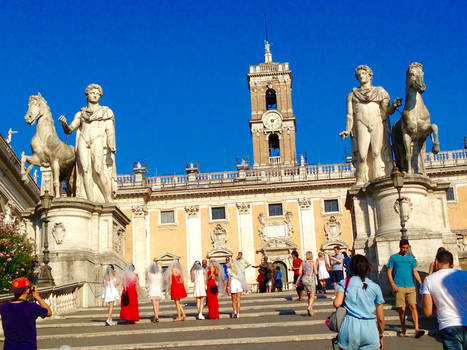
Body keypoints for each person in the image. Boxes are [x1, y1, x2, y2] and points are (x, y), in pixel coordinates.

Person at [339, 65, 401, 184]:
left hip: (377, 122)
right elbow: (350, 115)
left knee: (377, 152)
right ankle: (362, 180)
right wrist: (347, 130)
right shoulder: (352, 95)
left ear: (370, 75)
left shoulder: (380, 91)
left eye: (363, 73)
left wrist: (393, 106)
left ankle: (380, 179)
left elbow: (386, 111)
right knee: (362, 155)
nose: (361, 76)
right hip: (361, 123)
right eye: (359, 75)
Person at [59, 83, 117, 203]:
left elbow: (110, 130)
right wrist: (64, 124)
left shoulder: (106, 111)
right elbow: (69, 130)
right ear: (87, 95)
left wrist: (111, 145)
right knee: (85, 170)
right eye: (92, 93)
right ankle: (90, 202)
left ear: (100, 96)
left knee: (98, 169)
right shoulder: (81, 113)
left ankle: (107, 198)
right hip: (83, 140)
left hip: (98, 139)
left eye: (97, 94)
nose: (95, 95)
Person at [334, 255, 385, 350]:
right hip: (370, 330)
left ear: (351, 268)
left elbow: (337, 303)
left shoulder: (344, 283)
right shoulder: (375, 287)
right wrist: (381, 334)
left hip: (349, 328)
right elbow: (381, 318)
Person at [423, 249, 467, 349]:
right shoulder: (465, 274)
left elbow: (427, 312)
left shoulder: (429, 280)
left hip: (448, 325)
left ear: (436, 262)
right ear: (452, 263)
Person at [0, 277, 52, 350]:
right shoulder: (32, 307)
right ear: (27, 290)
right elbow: (49, 312)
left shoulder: (4, 307)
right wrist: (37, 297)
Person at [387, 239, 424, 338]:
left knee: (413, 306)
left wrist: (421, 283)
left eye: (407, 248)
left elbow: (415, 272)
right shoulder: (393, 258)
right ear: (400, 247)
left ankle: (416, 328)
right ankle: (403, 329)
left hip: (410, 286)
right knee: (402, 309)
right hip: (399, 287)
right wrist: (392, 284)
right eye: (403, 248)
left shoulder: (410, 258)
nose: (405, 250)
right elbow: (389, 272)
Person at [299, 251, 318, 316]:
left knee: (308, 295)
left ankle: (311, 311)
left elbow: (300, 272)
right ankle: (309, 307)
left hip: (304, 279)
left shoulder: (302, 262)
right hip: (310, 279)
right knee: (312, 296)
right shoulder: (313, 262)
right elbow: (316, 272)